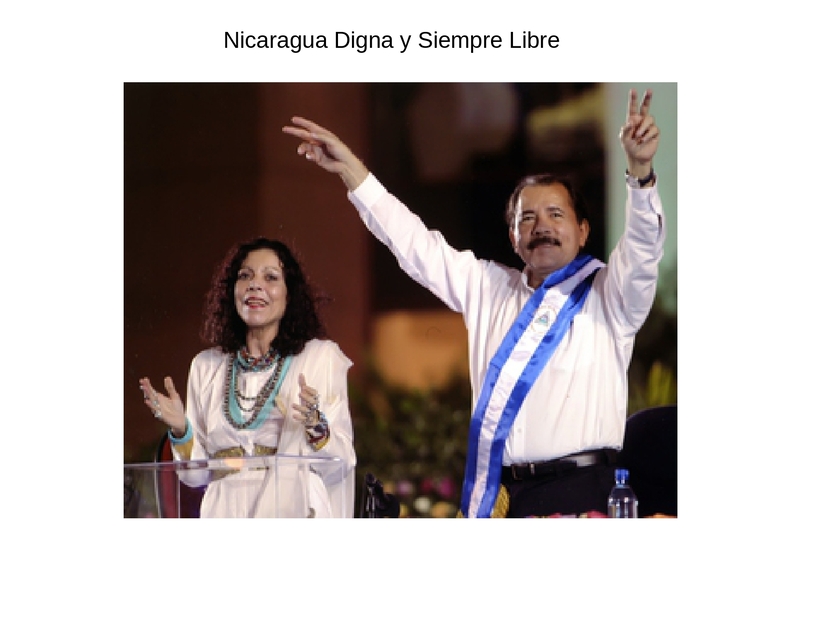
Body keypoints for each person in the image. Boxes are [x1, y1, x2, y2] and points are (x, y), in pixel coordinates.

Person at [282, 88, 665, 518]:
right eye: (527, 218)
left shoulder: (610, 295)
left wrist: (640, 173)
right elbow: (414, 244)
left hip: (582, 496)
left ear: (583, 230)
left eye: (556, 215)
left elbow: (642, 250)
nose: (541, 226)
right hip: (503, 500)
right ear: (513, 238)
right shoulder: (487, 287)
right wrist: (353, 171)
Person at [139, 237, 357, 517]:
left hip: (291, 510)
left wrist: (316, 426)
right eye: (245, 276)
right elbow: (195, 476)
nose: (255, 284)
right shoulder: (206, 366)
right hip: (223, 511)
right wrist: (182, 431)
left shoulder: (319, 358)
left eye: (271, 277)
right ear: (232, 291)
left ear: (290, 294)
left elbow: (342, 463)